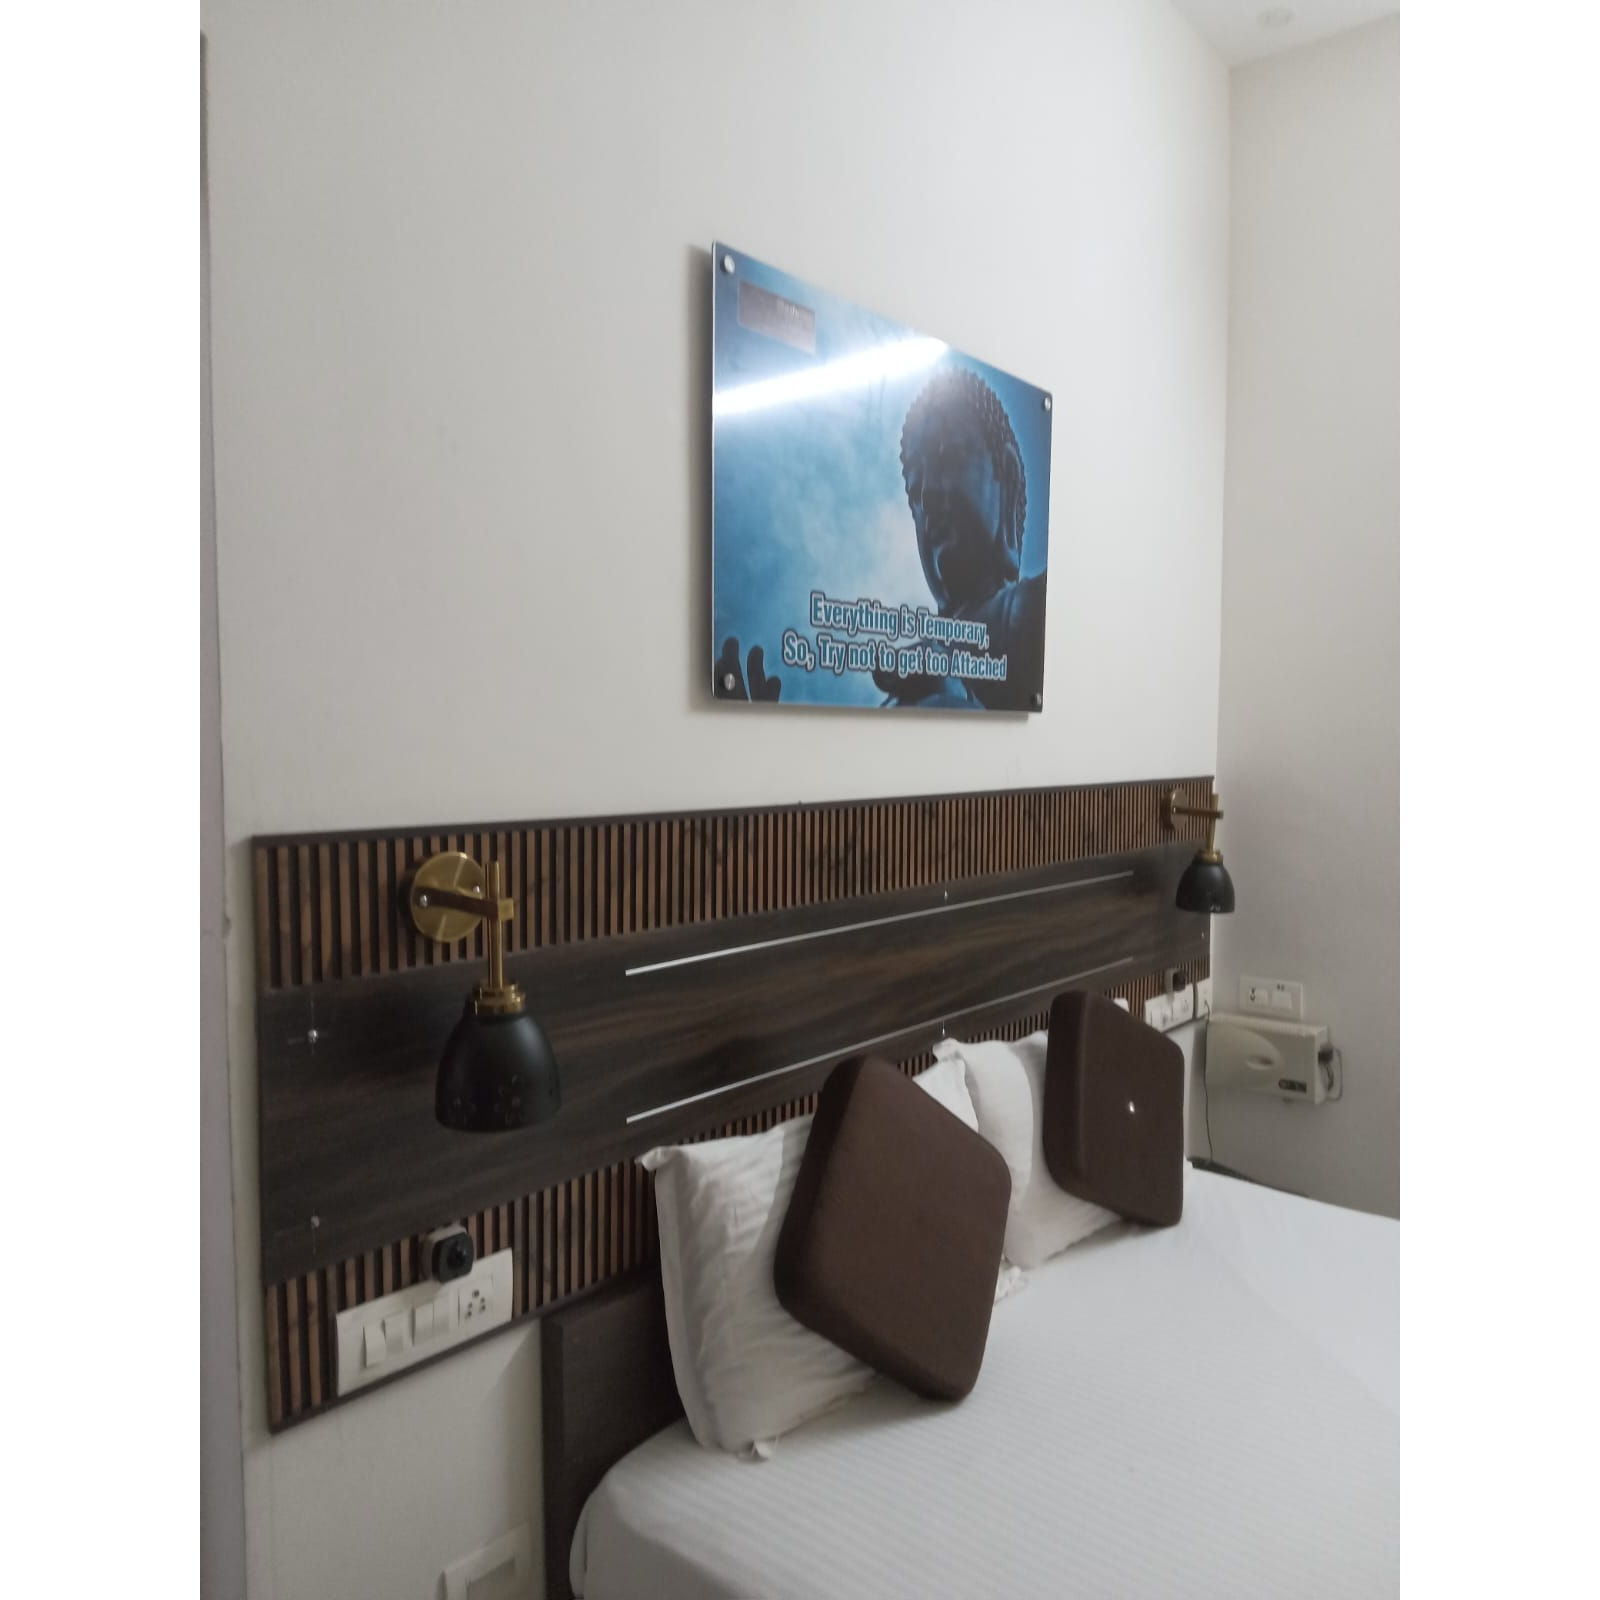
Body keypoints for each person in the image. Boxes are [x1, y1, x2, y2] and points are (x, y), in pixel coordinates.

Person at [877, 365, 1045, 711]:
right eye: (914, 490)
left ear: (1007, 479)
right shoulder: (926, 657)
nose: (927, 496)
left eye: (948, 460)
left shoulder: (1025, 609)